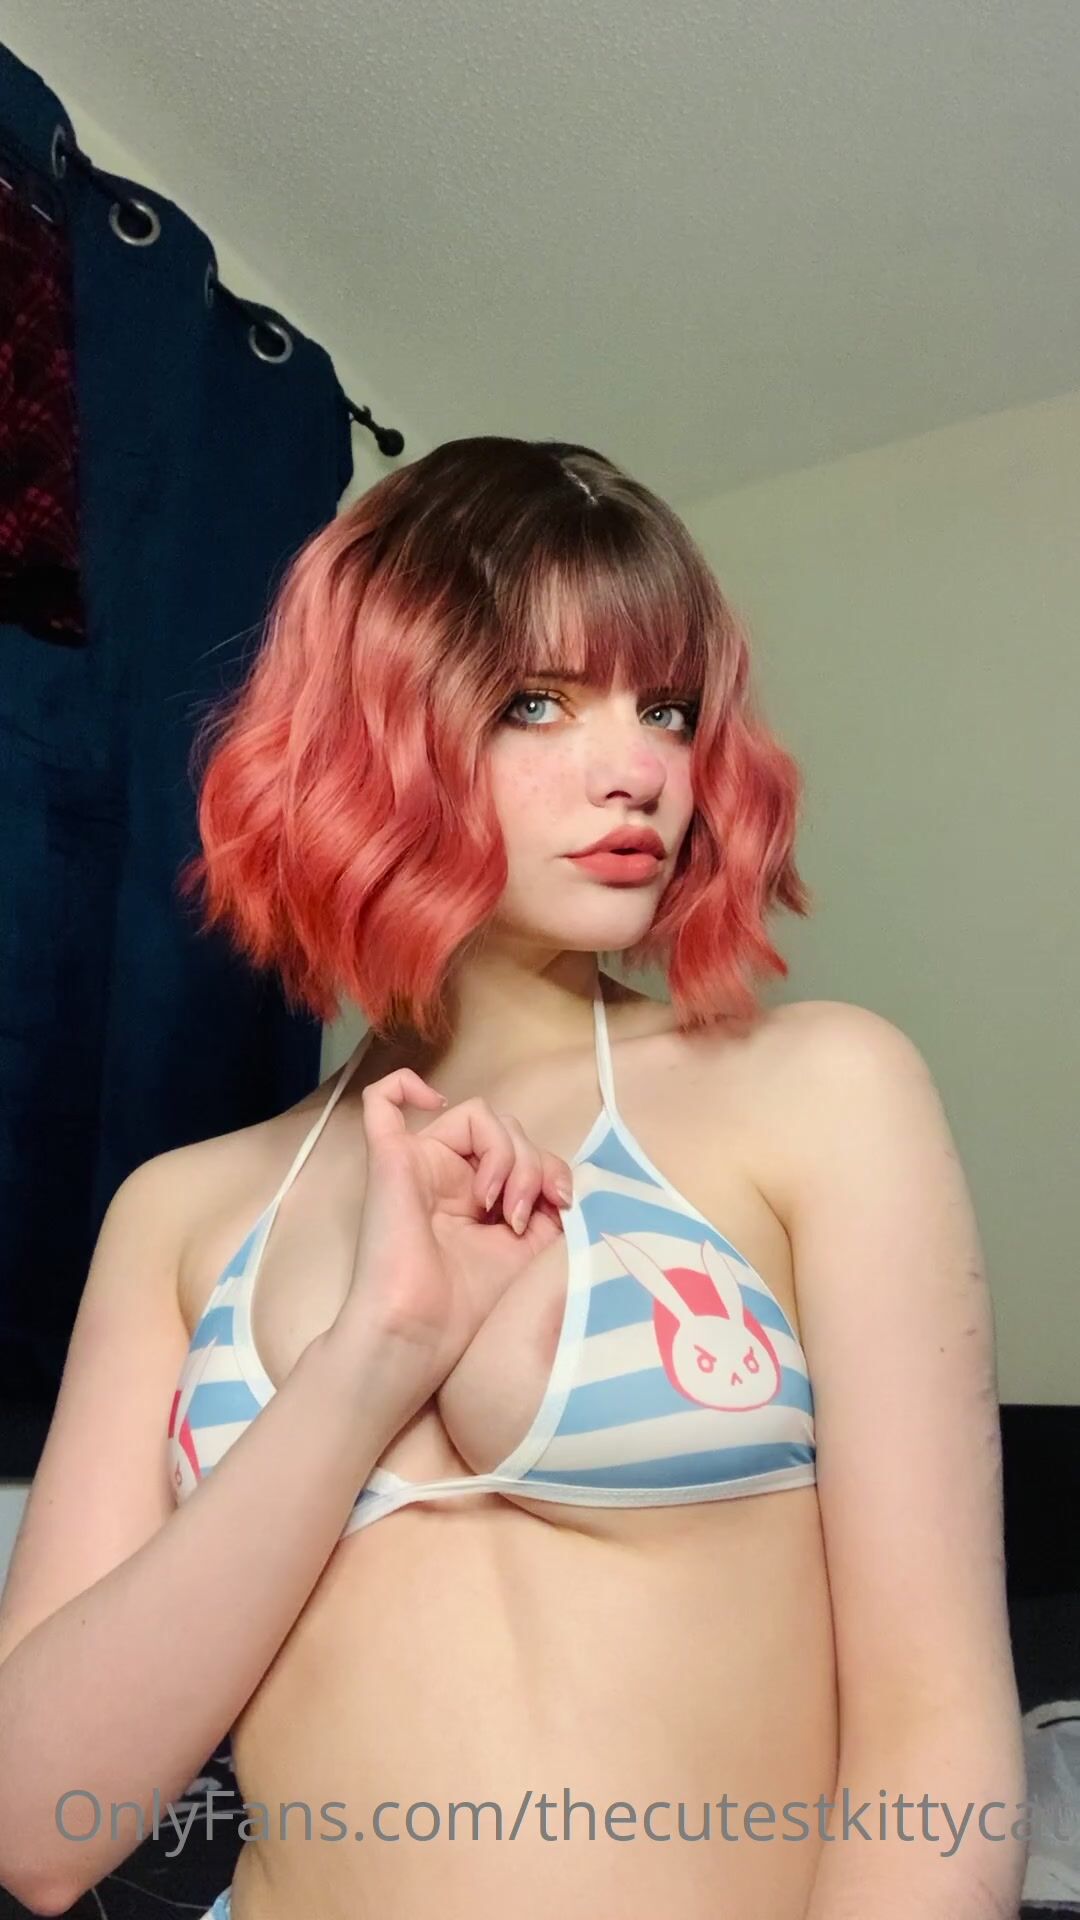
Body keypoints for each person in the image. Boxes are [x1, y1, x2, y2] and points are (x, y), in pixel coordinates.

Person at [0, 438, 1026, 1920]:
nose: (639, 770)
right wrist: (373, 1358)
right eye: (536, 702)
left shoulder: (815, 1092)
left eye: (667, 709)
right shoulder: (183, 1210)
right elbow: (37, 1828)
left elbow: (935, 1735)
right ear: (368, 732)